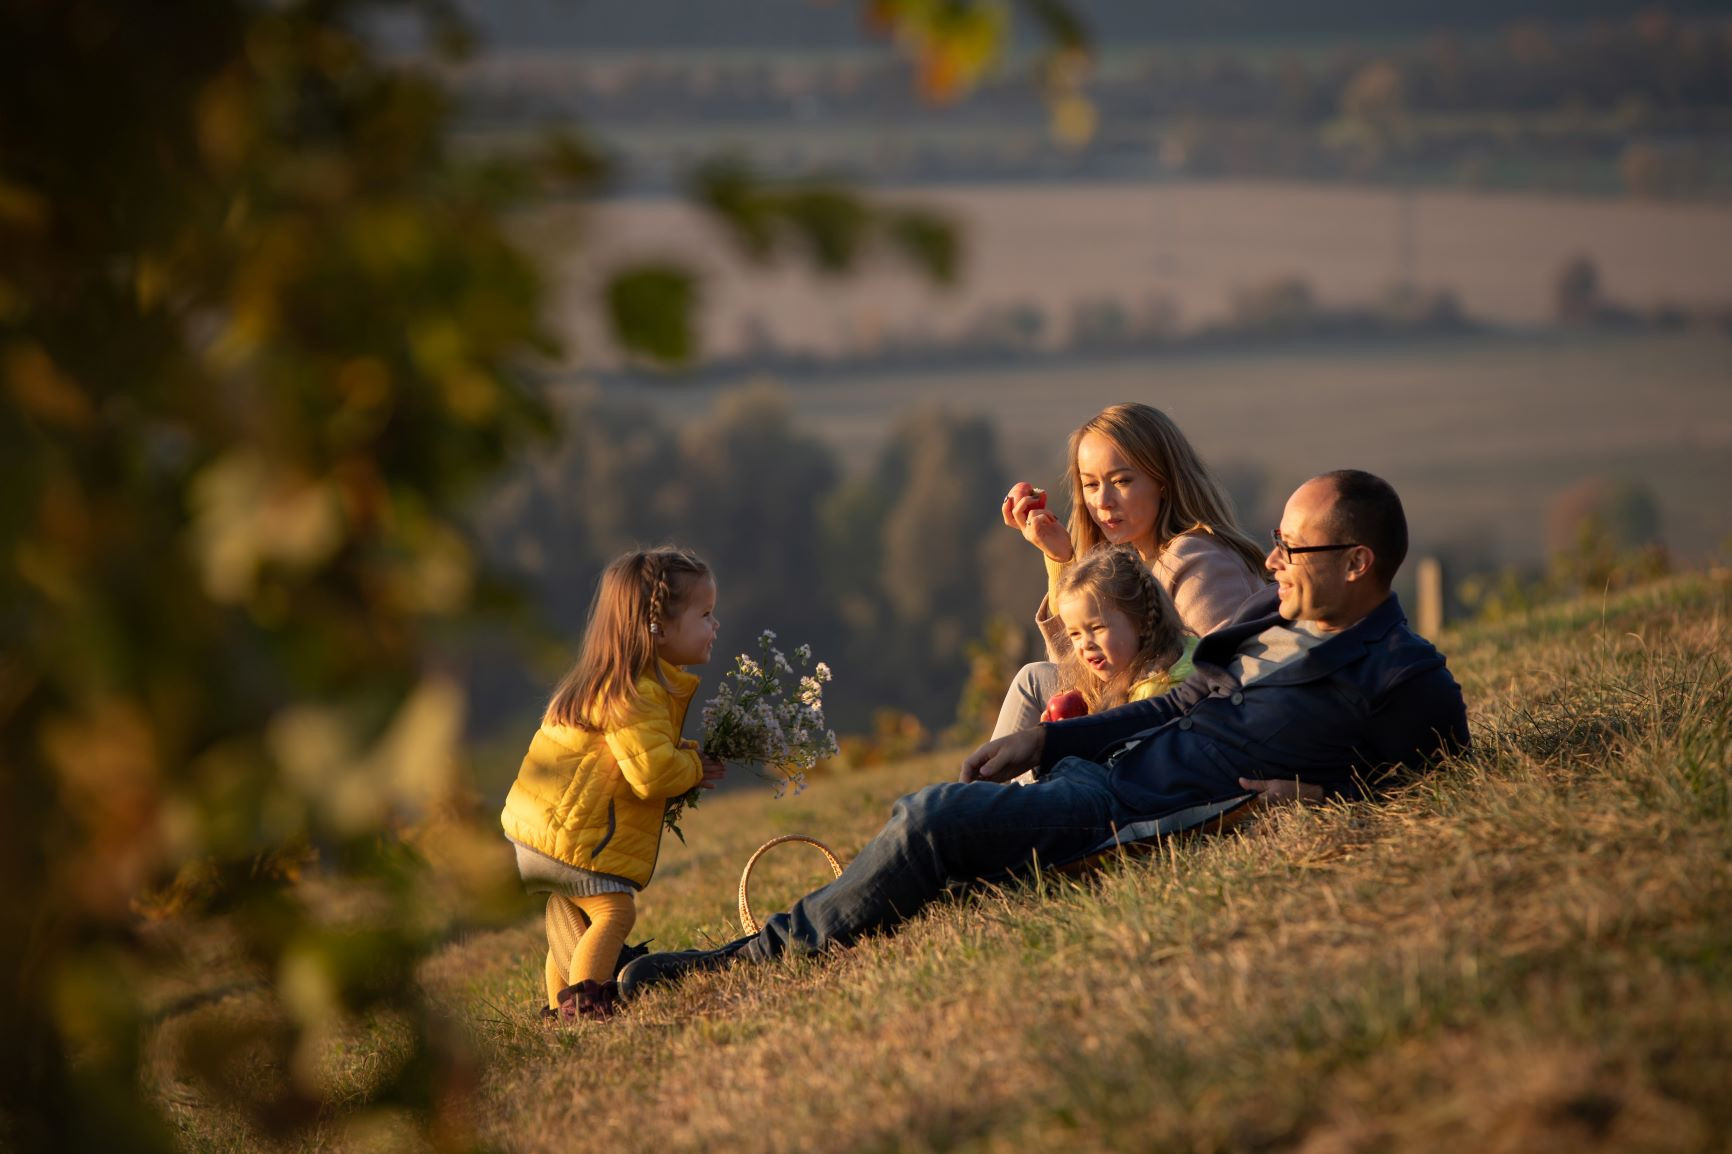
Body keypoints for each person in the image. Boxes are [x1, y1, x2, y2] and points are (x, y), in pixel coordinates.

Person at [618, 470, 1469, 1001]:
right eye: (1277, 542)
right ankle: (769, 940)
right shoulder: (1270, 625)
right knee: (936, 833)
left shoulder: (1401, 675)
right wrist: (1049, 744)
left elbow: (1448, 778)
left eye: (1293, 546)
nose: (1273, 559)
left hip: (1137, 815)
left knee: (931, 822)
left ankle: (741, 963)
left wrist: (1324, 798)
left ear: (1357, 563)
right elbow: (1178, 706)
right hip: (1100, 775)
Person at [499, 547, 728, 1021]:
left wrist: (682, 754)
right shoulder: (636, 692)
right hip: (569, 839)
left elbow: (638, 755)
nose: (715, 625)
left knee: (580, 920)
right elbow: (651, 775)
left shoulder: (612, 682)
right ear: (658, 628)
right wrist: (692, 769)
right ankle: (584, 1006)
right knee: (614, 914)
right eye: (705, 615)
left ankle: (555, 1008)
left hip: (540, 833)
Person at [992, 403, 1266, 738]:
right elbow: (1079, 673)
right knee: (1036, 679)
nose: (1103, 500)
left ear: (1163, 481)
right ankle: (992, 790)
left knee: (1034, 681)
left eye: (1121, 480)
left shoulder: (1198, 562)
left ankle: (990, 791)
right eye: (1090, 485)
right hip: (1136, 718)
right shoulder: (1125, 561)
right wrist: (1060, 558)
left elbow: (1230, 681)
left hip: (1174, 742)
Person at [1048, 543, 1198, 717]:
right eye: (1074, 634)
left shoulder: (1153, 697)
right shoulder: (1182, 651)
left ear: (1142, 621)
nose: (1085, 644)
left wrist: (1063, 740)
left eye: (1097, 628)